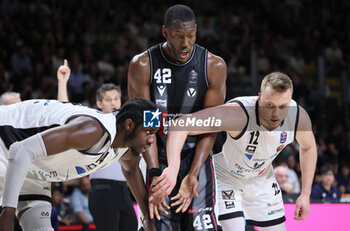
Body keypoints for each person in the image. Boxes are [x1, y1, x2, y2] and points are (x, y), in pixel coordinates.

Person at [154, 72, 317, 231]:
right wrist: (173, 168)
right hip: (226, 176)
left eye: (283, 107)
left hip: (261, 178)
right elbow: (181, 124)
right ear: (259, 99)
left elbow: (308, 147)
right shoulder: (238, 114)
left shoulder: (298, 118)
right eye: (269, 106)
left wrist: (305, 194)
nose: (276, 114)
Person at [128, 4, 227, 230]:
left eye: (190, 36)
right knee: (159, 225)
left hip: (197, 158)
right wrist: (154, 173)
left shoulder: (213, 65)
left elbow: (211, 126)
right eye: (178, 36)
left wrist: (193, 174)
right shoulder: (143, 65)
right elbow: (146, 126)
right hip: (158, 155)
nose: (185, 43)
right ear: (165, 32)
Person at [0, 94, 158, 231]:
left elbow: (131, 170)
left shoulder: (126, 146)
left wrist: (148, 220)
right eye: (148, 132)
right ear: (129, 125)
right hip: (6, 142)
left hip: (33, 169)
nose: (151, 140)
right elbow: (20, 151)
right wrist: (7, 214)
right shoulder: (93, 130)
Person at [58, 61, 138, 231]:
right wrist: (63, 83)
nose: (114, 103)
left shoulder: (127, 125)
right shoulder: (93, 122)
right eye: (109, 100)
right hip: (102, 191)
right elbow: (64, 113)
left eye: (116, 99)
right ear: (99, 103)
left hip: (125, 191)